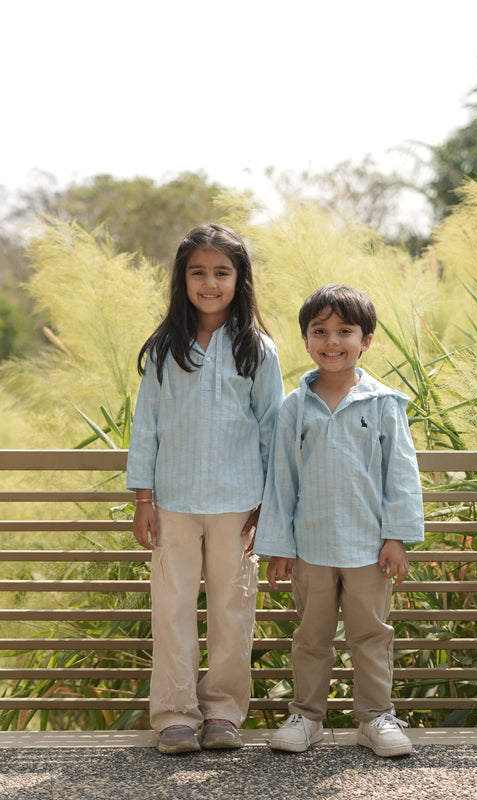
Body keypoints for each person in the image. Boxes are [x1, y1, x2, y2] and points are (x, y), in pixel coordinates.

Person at [126, 223, 284, 754]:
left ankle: (222, 713)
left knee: (232, 611)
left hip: (239, 507)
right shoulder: (165, 346)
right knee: (170, 610)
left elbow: (272, 430)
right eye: (199, 272)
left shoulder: (257, 349)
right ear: (183, 278)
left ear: (240, 279)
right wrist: (143, 500)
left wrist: (268, 505)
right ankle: (174, 715)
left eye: (222, 272)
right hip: (173, 504)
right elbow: (145, 425)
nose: (210, 283)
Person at [254, 283, 424, 757]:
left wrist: (397, 538)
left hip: (370, 548)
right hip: (311, 547)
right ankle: (306, 716)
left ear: (365, 340)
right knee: (312, 636)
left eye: (344, 331)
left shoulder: (384, 404)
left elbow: (402, 476)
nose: (332, 341)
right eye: (320, 331)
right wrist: (280, 547)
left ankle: (375, 717)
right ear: (306, 340)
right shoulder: (294, 406)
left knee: (371, 634)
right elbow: (281, 481)